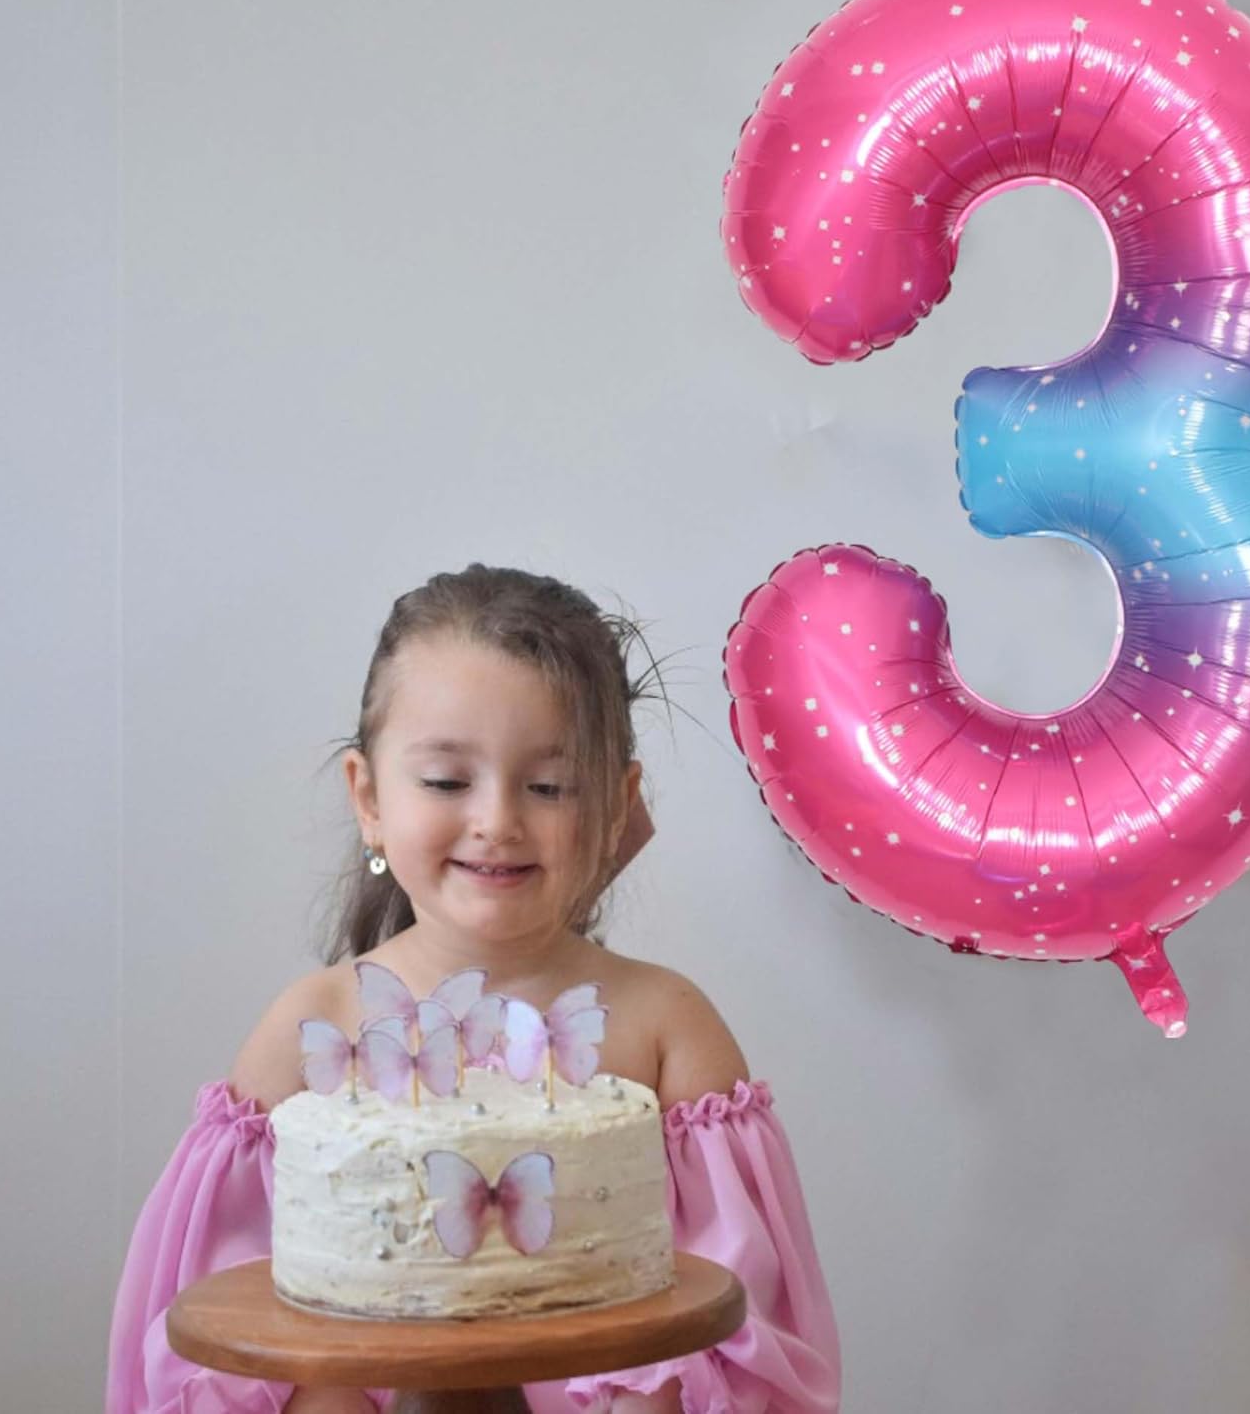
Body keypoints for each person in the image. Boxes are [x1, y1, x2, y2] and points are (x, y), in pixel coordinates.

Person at [106, 563, 841, 1413]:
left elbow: (732, 1330)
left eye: (550, 786)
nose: (497, 821)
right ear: (368, 797)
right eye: (447, 781)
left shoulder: (665, 1029)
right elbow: (233, 1328)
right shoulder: (314, 1029)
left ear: (616, 806)